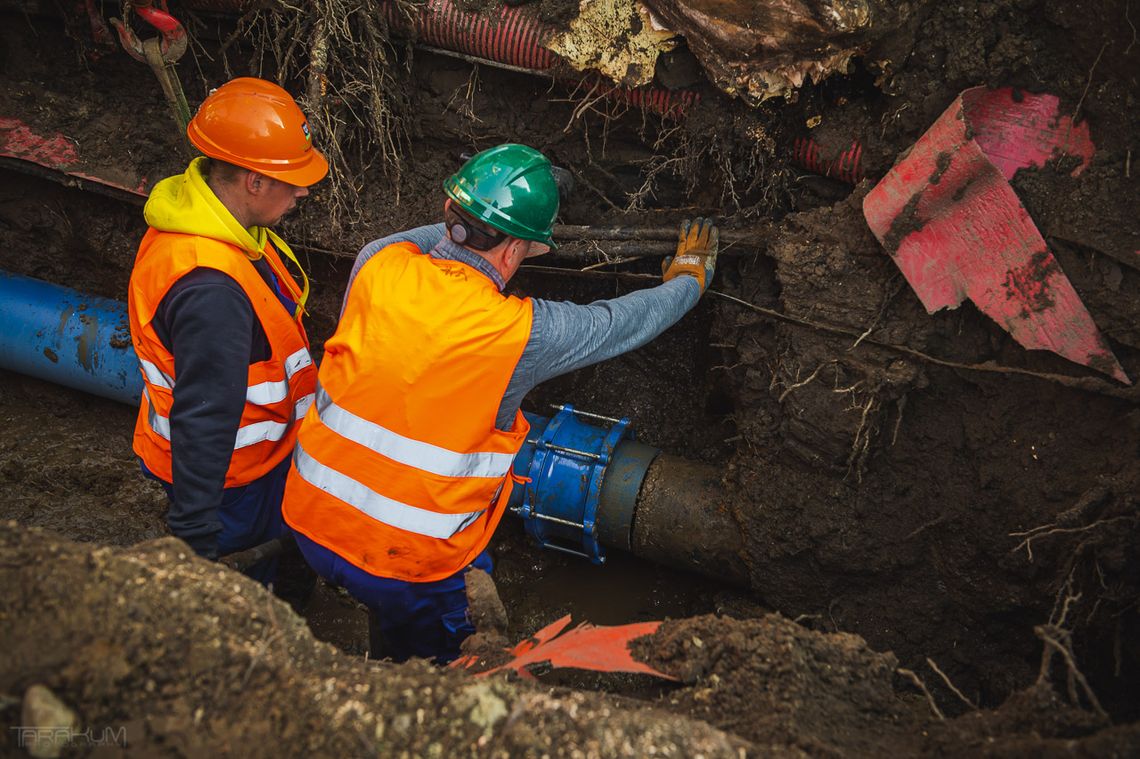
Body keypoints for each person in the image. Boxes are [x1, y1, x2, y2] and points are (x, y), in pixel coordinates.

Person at [281, 143, 717, 662]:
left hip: (308, 521)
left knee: (383, 617)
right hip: (407, 566)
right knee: (448, 664)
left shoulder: (378, 261)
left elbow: (429, 238)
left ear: (449, 214)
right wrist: (690, 279)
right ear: (514, 253)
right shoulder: (521, 332)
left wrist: (493, 212)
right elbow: (621, 321)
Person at [128, 77, 328, 584]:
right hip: (234, 481)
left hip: (254, 462)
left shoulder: (207, 223)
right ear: (254, 182)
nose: (303, 190)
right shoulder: (211, 291)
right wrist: (196, 533)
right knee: (248, 600)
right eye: (292, 179)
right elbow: (205, 414)